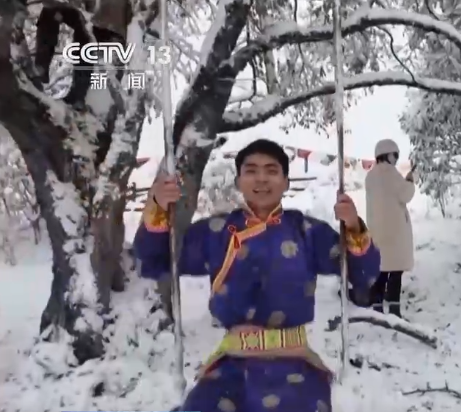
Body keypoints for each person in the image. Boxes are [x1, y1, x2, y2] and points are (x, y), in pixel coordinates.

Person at [133, 139, 380, 412]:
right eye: (251, 170)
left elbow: (364, 274)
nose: (261, 178)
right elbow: (153, 261)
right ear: (238, 181)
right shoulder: (215, 232)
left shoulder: (308, 232)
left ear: (286, 182)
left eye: (271, 170)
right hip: (232, 366)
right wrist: (157, 206)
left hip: (296, 363)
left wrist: (353, 225)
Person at [33, 0, 132, 103]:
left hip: (112, 32)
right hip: (97, 22)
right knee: (50, 11)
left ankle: (79, 96)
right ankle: (41, 69)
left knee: (84, 34)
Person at [364, 139, 415, 318]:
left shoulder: (370, 176)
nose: (395, 159)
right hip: (395, 233)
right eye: (395, 155)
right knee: (395, 272)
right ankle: (394, 311)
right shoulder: (391, 174)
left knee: (381, 271)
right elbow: (406, 194)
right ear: (386, 154)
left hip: (377, 232)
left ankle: (377, 308)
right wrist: (410, 181)